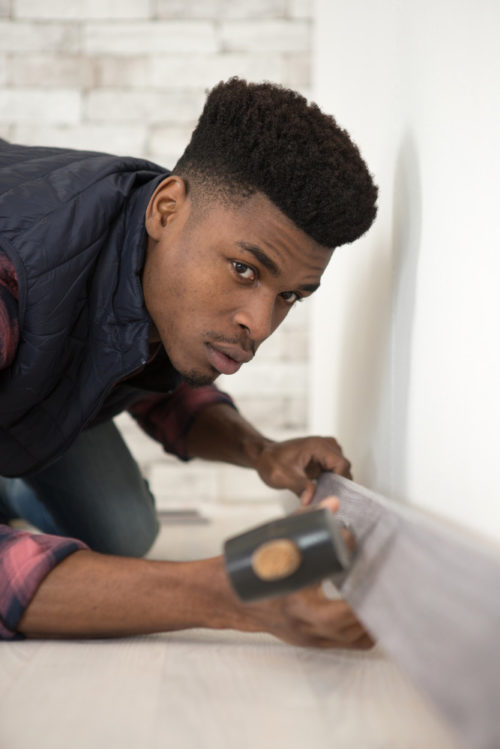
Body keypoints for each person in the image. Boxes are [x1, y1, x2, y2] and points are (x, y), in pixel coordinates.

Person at [0, 78, 377, 648]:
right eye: (246, 270)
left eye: (290, 295)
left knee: (124, 531)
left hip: (27, 373)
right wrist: (218, 592)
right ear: (166, 209)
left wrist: (261, 453)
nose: (260, 324)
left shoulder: (170, 240)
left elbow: (160, 371)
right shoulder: (15, 273)